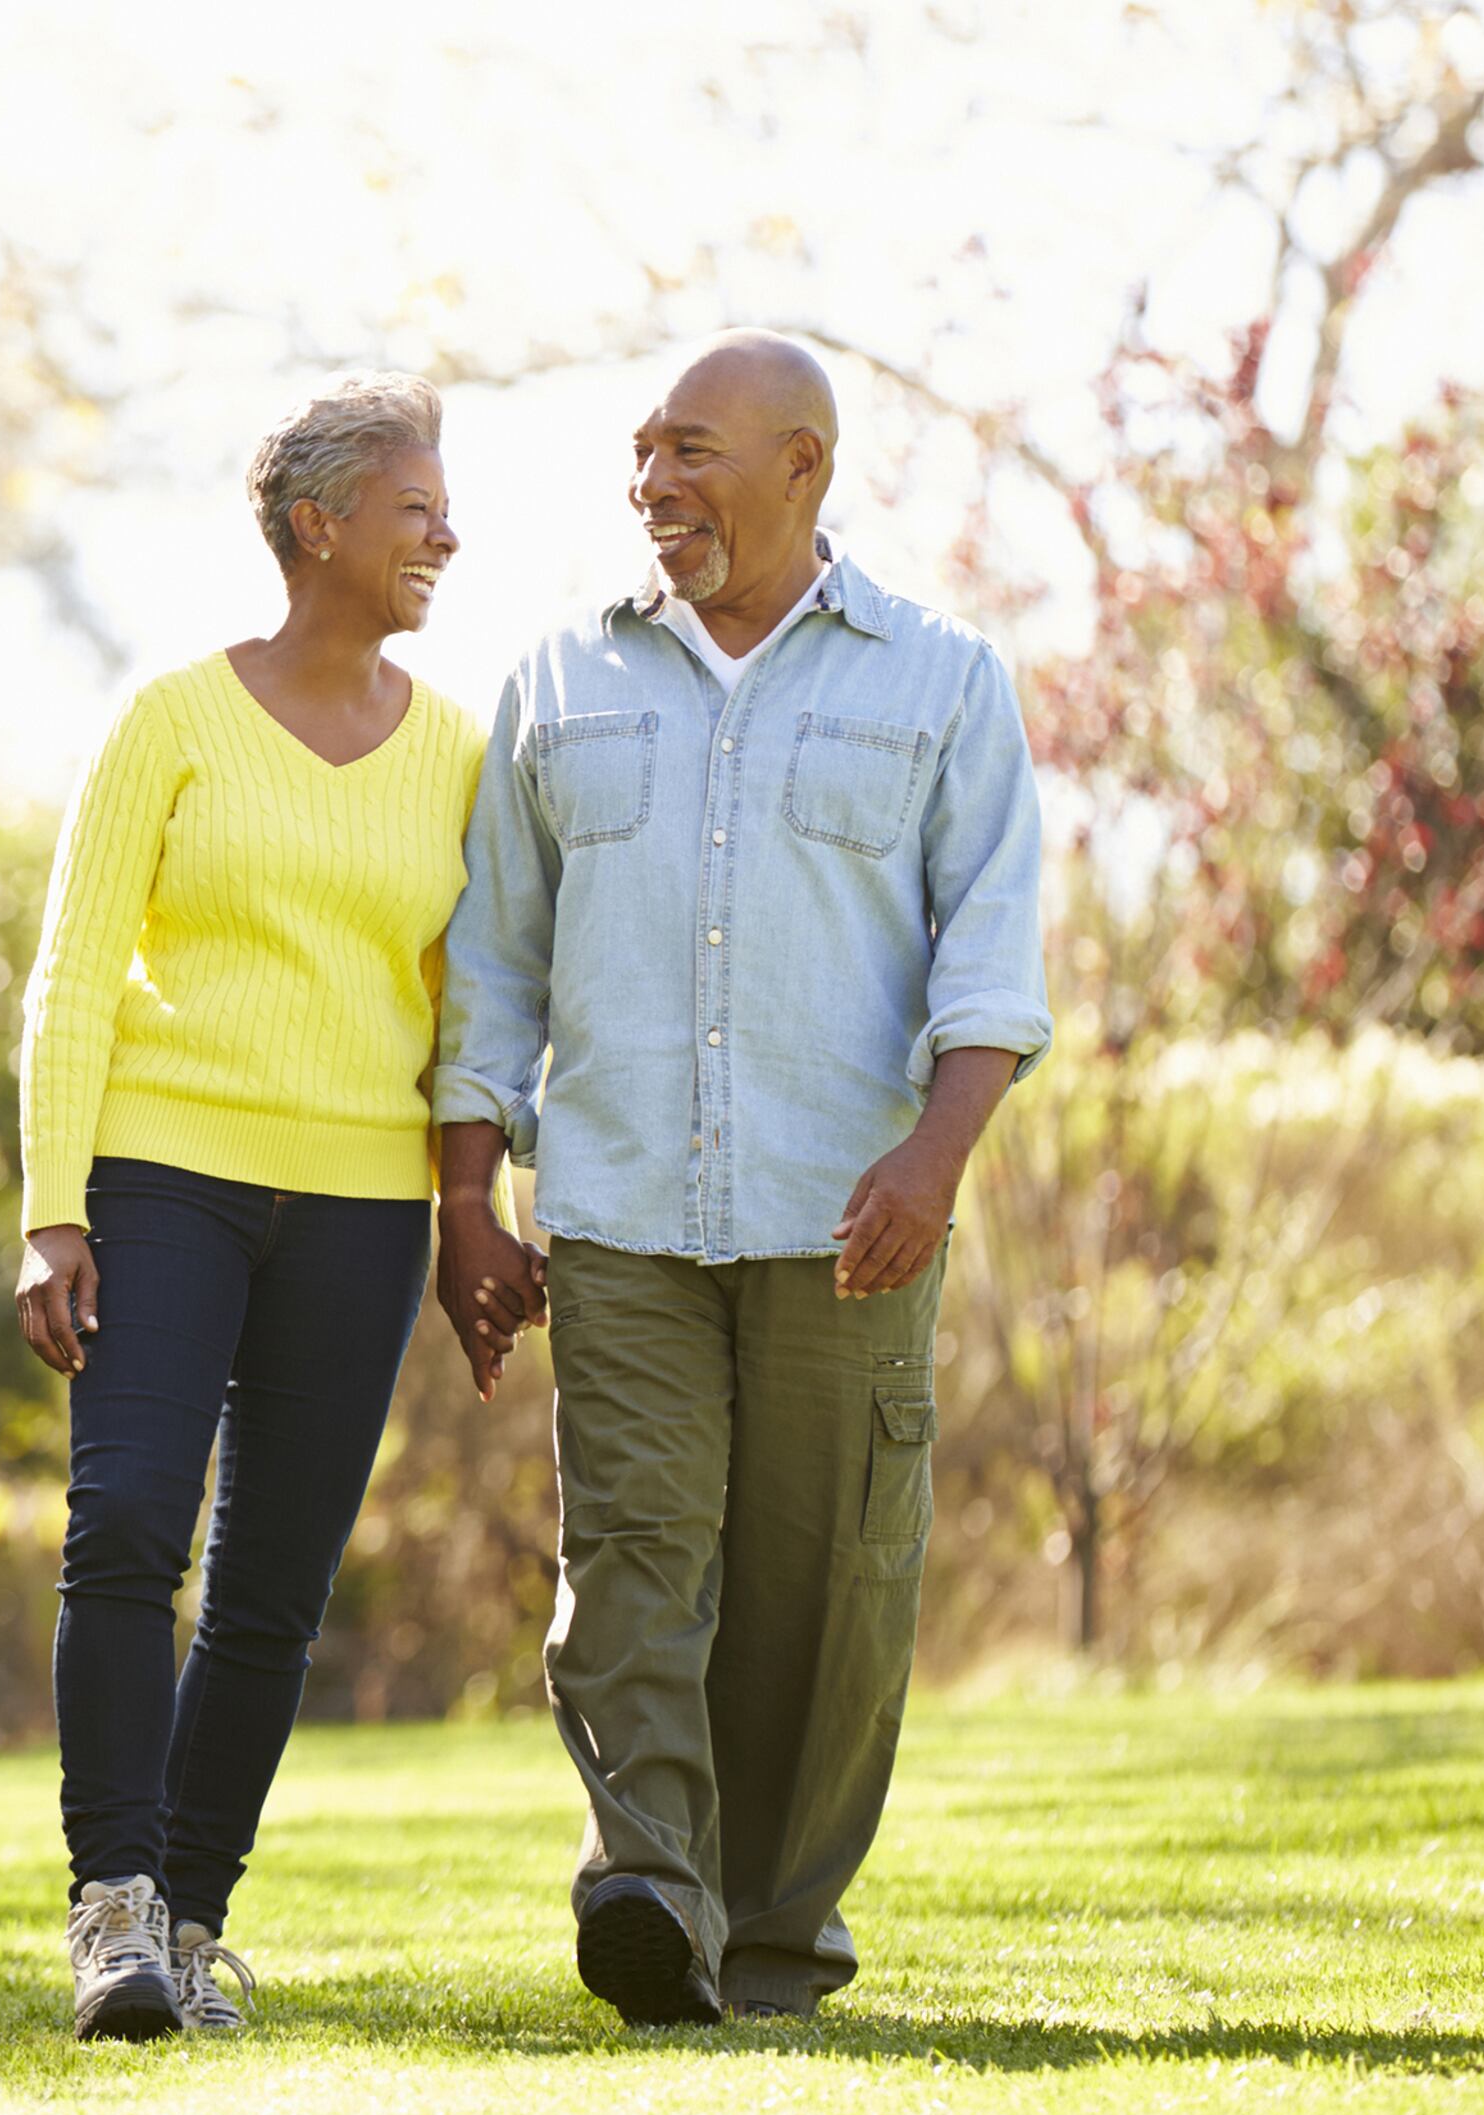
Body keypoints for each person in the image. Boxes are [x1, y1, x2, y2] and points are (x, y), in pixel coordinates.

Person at [429, 331, 1051, 2026]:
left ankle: (772, 1936)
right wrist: (468, 1195)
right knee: (631, 1553)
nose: (653, 486)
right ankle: (647, 1887)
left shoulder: (940, 680)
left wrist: (936, 1155)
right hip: (620, 1212)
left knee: (823, 1588)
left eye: (691, 452)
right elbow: (494, 958)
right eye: (641, 454)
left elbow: (988, 959)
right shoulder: (560, 680)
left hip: (846, 1215)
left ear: (804, 465)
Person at [12, 372, 483, 2042]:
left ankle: (193, 1926)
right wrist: (49, 1209)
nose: (448, 533)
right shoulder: (170, 722)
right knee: (130, 1520)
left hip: (359, 1204)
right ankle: (114, 1909)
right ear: (319, 524)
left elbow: (466, 1005)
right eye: (418, 505)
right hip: (164, 1174)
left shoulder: (455, 753)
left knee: (277, 1579)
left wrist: (475, 1208)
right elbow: (73, 977)